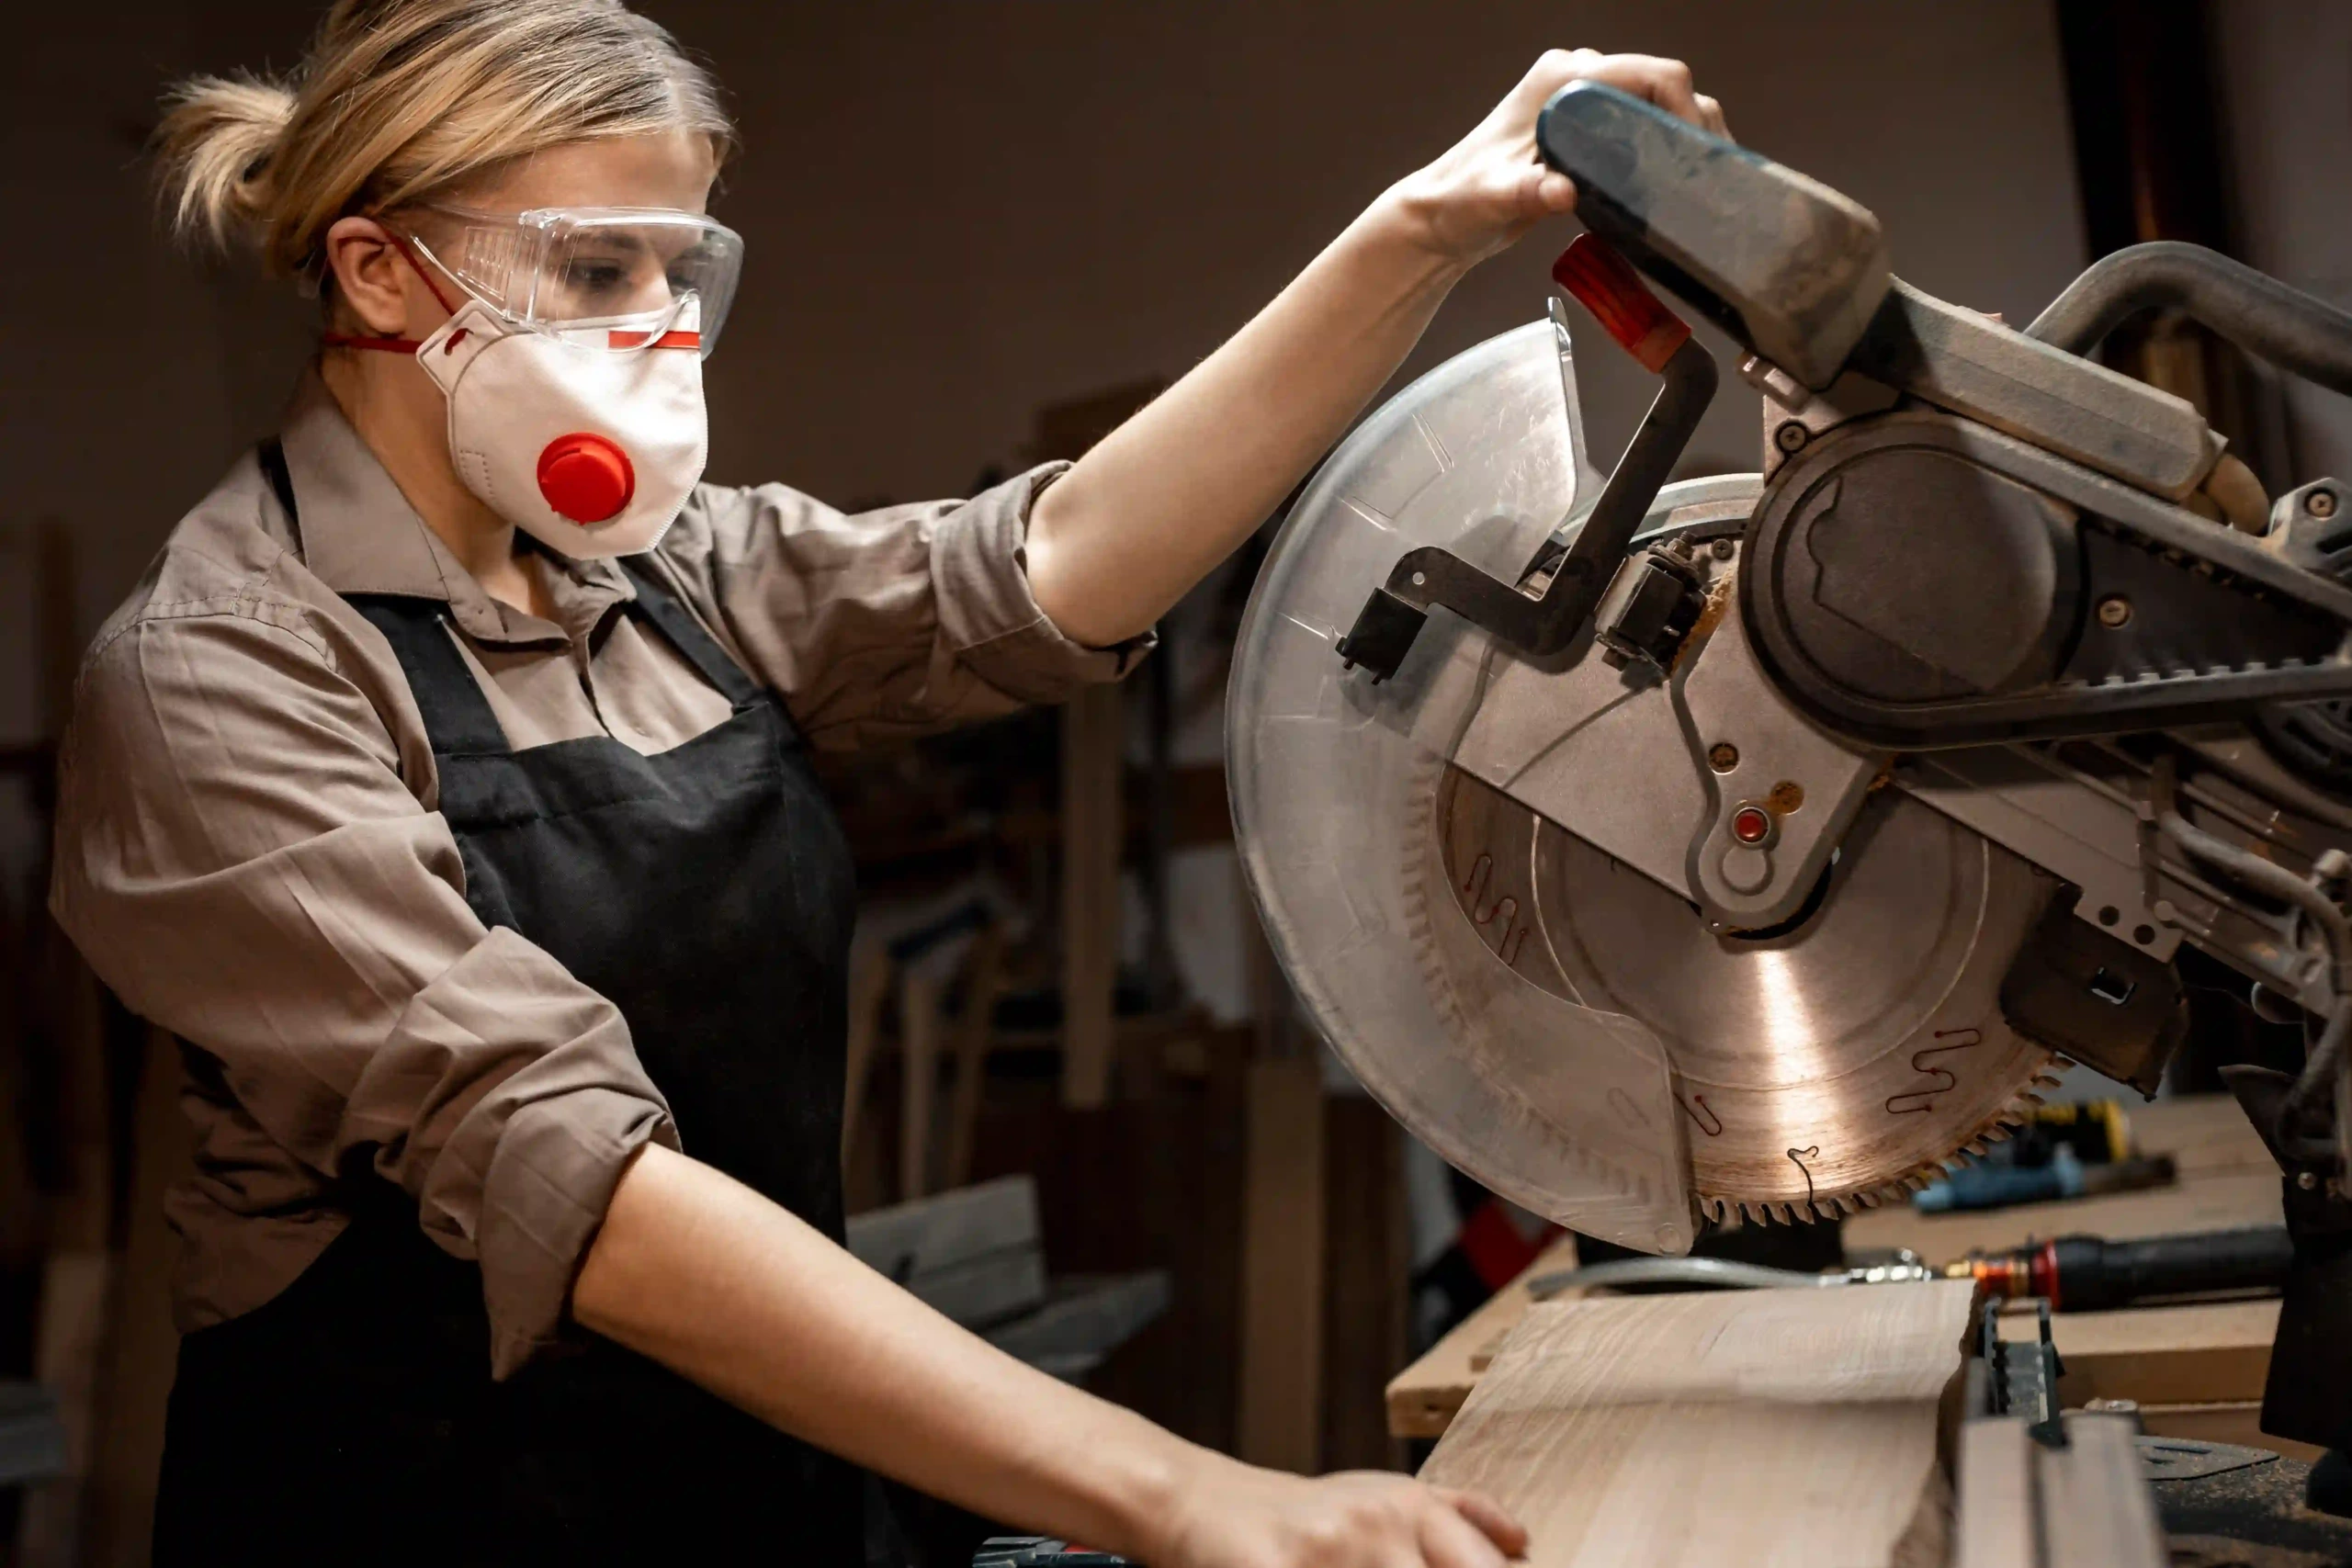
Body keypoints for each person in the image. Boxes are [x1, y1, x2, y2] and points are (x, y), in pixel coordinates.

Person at [51, 3, 1725, 1563]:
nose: (653, 324)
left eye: (677, 265)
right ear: (382, 274)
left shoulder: (658, 571)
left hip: (750, 1488)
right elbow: (579, 1183)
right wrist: (1194, 1496)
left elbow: (1051, 562)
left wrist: (1420, 231)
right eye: (588, 268)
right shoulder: (223, 674)